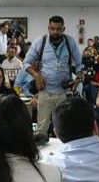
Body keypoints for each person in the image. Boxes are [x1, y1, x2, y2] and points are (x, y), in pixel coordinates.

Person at [23, 15, 83, 143]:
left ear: (63, 29)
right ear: (48, 28)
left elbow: (79, 64)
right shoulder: (40, 42)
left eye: (58, 29)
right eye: (52, 29)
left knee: (66, 129)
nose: (55, 32)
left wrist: (78, 77)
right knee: (41, 132)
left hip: (64, 92)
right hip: (45, 91)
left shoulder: (70, 42)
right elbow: (26, 63)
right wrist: (36, 75)